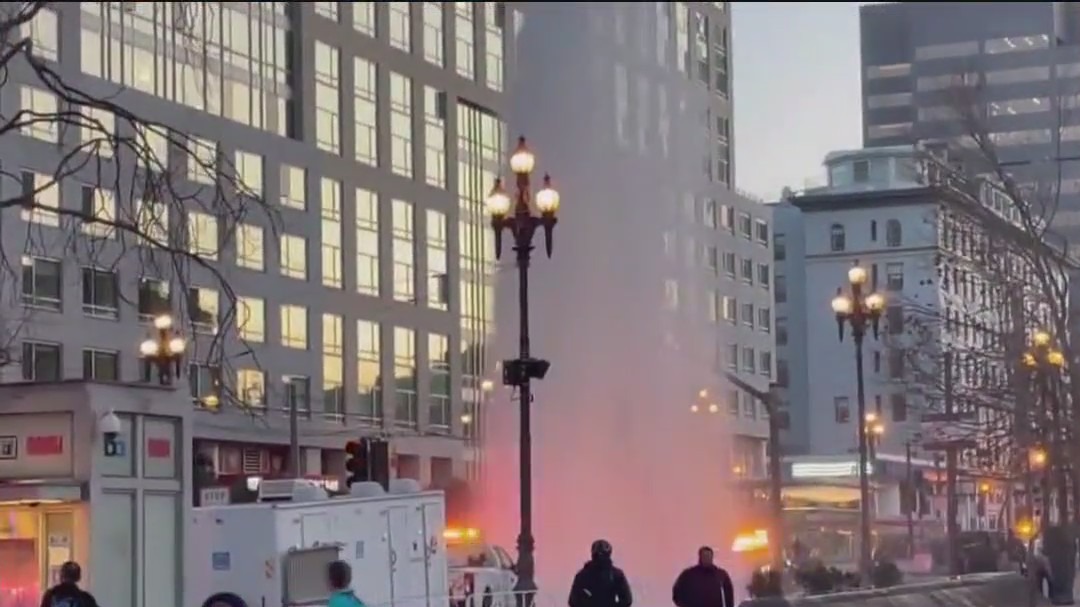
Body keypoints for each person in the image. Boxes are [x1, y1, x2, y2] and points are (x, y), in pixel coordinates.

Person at [568, 540, 633, 607]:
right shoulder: (616, 574)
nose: (600, 558)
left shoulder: (582, 575)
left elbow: (573, 601)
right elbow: (627, 600)